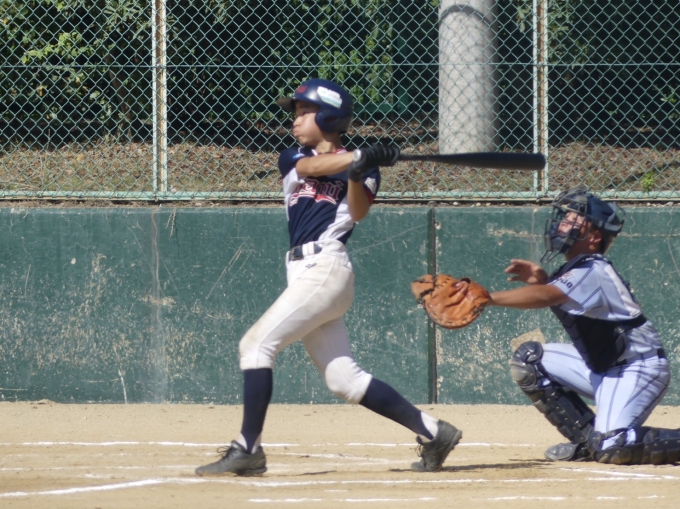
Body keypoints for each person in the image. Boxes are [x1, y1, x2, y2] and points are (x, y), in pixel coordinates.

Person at [194, 78, 462, 477]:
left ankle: (248, 448)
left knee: (255, 346)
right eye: (297, 112)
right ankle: (435, 432)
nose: (296, 119)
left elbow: (358, 212)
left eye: (305, 112)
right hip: (303, 272)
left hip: (326, 268)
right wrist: (358, 155)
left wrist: (359, 169)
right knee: (343, 380)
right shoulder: (293, 156)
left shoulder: (364, 170)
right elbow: (312, 167)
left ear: (330, 117)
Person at [487, 186, 679, 465]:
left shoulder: (593, 269)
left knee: (612, 446)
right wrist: (543, 282)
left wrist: (487, 298)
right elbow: (555, 293)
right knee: (530, 360)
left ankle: (601, 443)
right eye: (564, 219)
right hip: (602, 365)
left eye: (572, 220)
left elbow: (548, 296)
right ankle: (587, 443)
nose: (561, 224)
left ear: (595, 235)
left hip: (636, 368)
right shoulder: (576, 269)